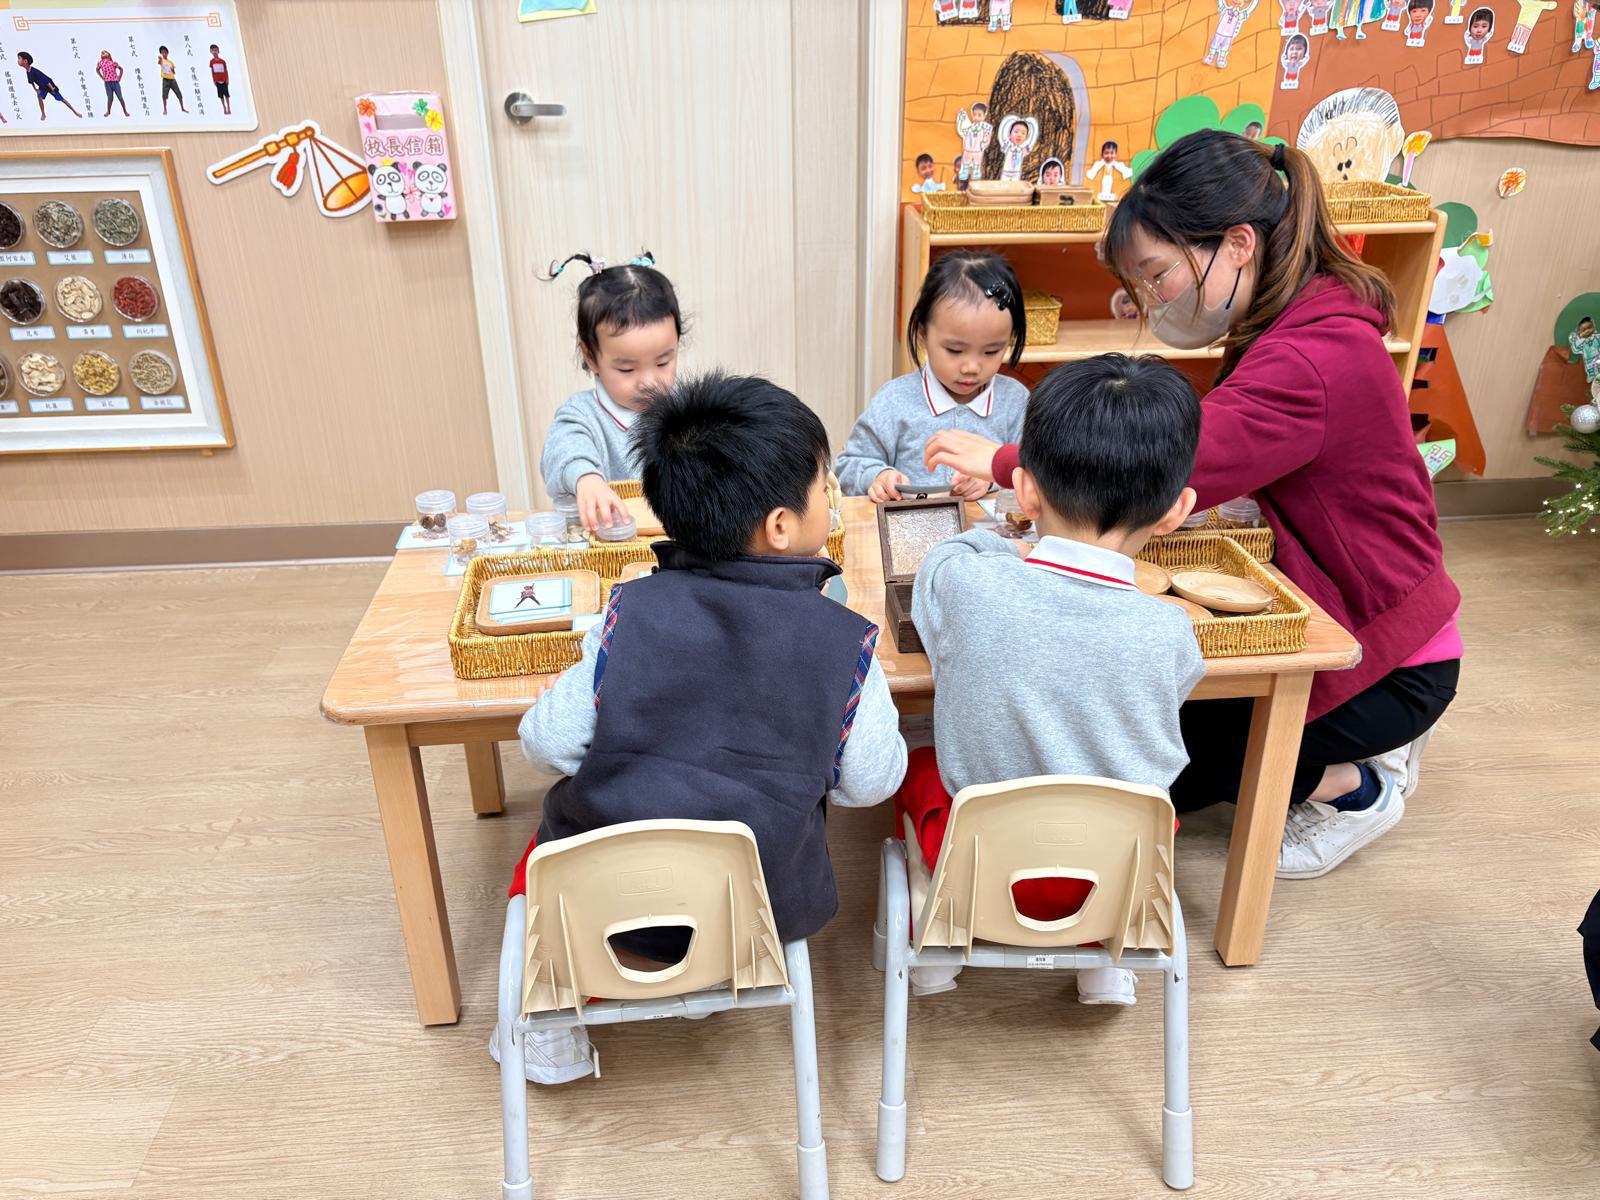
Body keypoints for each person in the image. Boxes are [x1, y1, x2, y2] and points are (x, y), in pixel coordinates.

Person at [923, 131, 1462, 880]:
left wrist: (1009, 461)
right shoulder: (1299, 319)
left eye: (1156, 275)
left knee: (1159, 771)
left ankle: (1359, 783)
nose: (1150, 302)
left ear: (1237, 244)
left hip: (1387, 648)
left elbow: (1176, 455)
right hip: (1349, 599)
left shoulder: (1311, 355)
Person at [499, 371, 908, 1083]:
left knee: (540, 853)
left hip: (608, 912)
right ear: (782, 526)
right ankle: (707, 982)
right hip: (760, 911)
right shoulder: (844, 641)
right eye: (824, 485)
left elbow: (544, 743)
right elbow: (871, 784)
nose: (834, 496)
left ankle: (550, 1028)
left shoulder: (627, 615)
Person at [900, 354, 1205, 1003]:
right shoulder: (1170, 630)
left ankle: (938, 949)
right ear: (1177, 509)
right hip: (1121, 876)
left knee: (915, 760)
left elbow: (940, 560)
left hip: (984, 871)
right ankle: (1103, 961)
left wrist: (1006, 546)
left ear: (1027, 491)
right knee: (1115, 782)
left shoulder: (971, 584)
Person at [836, 251, 1028, 502]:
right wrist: (877, 476)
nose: (971, 367)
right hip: (909, 534)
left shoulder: (1015, 402)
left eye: (991, 351)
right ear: (922, 333)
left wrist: (994, 477)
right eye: (954, 350)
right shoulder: (894, 401)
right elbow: (848, 465)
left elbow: (1039, 474)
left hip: (985, 537)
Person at [539, 251, 683, 531]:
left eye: (663, 362)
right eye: (627, 369)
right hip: (612, 549)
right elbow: (564, 448)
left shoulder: (689, 406)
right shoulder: (583, 414)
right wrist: (586, 478)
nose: (650, 381)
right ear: (591, 357)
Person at [16, 52, 82, 120]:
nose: (18, 60)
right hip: (42, 87)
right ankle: (43, 114)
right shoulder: (28, 72)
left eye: (19, 58)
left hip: (49, 86)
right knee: (39, 97)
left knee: (61, 99)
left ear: (25, 61)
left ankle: (75, 112)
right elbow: (31, 82)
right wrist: (36, 90)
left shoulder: (35, 71)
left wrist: (52, 89)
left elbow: (46, 80)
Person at [1570, 315, 1600, 401]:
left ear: (1593, 327)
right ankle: (1592, 376)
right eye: (1584, 330)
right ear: (1579, 332)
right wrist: (1576, 339)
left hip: (1598, 357)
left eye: (1589, 327)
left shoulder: (1596, 337)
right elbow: (1575, 349)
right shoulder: (1582, 343)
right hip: (1589, 360)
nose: (1587, 331)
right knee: (1591, 371)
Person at [96, 51, 128, 118]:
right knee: (110, 98)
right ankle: (108, 111)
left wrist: (119, 77)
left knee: (120, 97)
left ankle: (125, 111)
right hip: (107, 83)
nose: (103, 53)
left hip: (115, 82)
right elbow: (97, 70)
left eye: (105, 52)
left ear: (109, 55)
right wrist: (102, 77)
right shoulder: (100, 63)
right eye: (102, 53)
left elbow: (121, 69)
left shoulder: (113, 63)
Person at [157, 46, 186, 114]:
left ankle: (182, 108)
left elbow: (174, 72)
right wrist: (160, 59)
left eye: (165, 52)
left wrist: (173, 70)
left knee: (179, 94)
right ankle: (165, 110)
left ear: (167, 53)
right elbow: (159, 62)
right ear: (161, 53)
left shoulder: (171, 62)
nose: (163, 53)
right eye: (162, 52)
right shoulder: (162, 60)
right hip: (165, 80)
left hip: (172, 80)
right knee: (164, 96)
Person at [208, 44, 231, 115]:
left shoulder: (222, 61)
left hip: (224, 80)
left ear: (218, 51)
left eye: (215, 50)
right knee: (221, 96)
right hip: (217, 81)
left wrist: (227, 79)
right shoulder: (211, 61)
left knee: (227, 95)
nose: (214, 52)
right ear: (211, 52)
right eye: (212, 50)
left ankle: (229, 108)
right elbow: (212, 71)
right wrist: (214, 80)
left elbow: (226, 70)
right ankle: (224, 108)